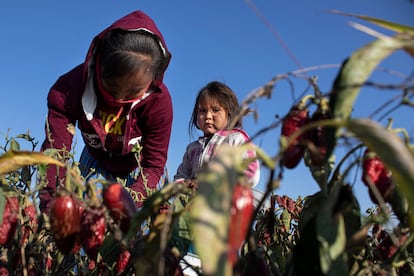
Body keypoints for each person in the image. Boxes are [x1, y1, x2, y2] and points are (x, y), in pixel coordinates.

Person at [39, 10, 173, 212]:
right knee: (83, 219)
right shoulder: (69, 89)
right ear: (99, 64)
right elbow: (55, 153)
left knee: (129, 230)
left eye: (133, 92)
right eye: (111, 87)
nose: (119, 99)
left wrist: (129, 205)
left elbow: (153, 165)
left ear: (152, 80)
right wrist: (53, 204)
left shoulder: (158, 103)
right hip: (93, 159)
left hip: (134, 167)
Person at [174, 81, 260, 190]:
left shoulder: (236, 140)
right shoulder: (192, 149)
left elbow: (251, 174)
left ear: (230, 113)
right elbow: (181, 175)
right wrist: (183, 184)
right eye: (203, 111)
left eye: (215, 110)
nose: (208, 116)